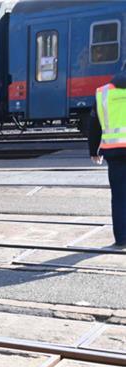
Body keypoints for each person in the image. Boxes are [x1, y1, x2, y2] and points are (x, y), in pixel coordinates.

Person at [89, 64, 126, 248]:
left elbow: (94, 124)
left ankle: (122, 238)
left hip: (114, 152)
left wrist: (93, 150)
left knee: (119, 196)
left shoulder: (103, 93)